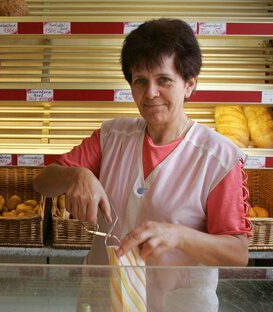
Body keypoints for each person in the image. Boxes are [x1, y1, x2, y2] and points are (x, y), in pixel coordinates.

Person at [33, 18, 252, 311]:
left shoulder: (218, 158)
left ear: (189, 84)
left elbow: (237, 253)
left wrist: (178, 235)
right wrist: (77, 174)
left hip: (175, 304)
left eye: (164, 80)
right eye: (140, 81)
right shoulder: (112, 137)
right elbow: (42, 182)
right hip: (104, 301)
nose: (150, 93)